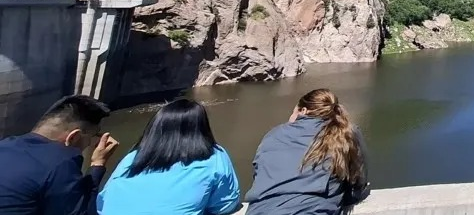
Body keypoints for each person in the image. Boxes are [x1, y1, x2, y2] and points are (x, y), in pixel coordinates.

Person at [96, 98, 240, 215]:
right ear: (201, 127)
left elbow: (102, 203)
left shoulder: (132, 157)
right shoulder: (213, 156)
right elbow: (225, 205)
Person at [244, 88, 370, 215]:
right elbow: (357, 182)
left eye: (293, 112)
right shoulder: (346, 132)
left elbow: (258, 175)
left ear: (303, 111)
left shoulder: (272, 135)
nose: (290, 117)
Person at [0, 95, 120, 215]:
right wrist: (98, 164)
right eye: (91, 137)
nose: (89, 144)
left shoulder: (5, 144)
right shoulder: (61, 162)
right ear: (74, 137)